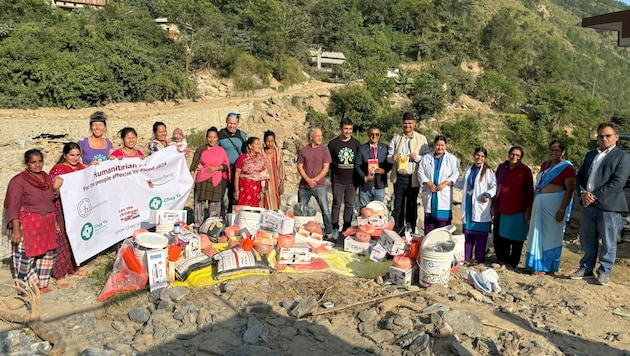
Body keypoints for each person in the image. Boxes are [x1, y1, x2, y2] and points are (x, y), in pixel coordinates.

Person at [571, 123, 630, 285]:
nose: (604, 139)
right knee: (587, 239)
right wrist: (583, 192)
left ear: (616, 138)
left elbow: (618, 182)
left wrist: (594, 196)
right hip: (588, 204)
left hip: (608, 206)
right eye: (601, 136)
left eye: (608, 136)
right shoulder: (591, 155)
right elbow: (580, 176)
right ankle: (586, 268)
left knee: (608, 240)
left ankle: (604, 271)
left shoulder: (622, 157)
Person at [4, 149, 57, 294]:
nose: (37, 165)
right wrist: (16, 230)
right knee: (27, 257)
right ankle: (25, 288)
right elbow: (13, 206)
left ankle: (41, 285)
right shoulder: (19, 181)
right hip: (28, 224)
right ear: (26, 163)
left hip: (46, 223)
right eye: (33, 162)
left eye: (40, 161)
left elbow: (50, 200)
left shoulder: (46, 178)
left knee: (46, 254)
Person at [525, 140, 576, 275]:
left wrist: (562, 210)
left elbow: (570, 190)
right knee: (538, 234)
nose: (553, 153)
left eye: (556, 150)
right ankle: (536, 264)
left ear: (562, 152)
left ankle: (548, 267)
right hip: (540, 205)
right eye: (551, 150)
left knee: (551, 237)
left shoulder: (567, 168)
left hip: (555, 208)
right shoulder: (544, 165)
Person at [50, 143, 87, 288]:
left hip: (77, 209)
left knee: (75, 238)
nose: (75, 158)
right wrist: (55, 187)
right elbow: (51, 194)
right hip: (61, 210)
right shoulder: (58, 170)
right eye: (72, 155)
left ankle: (72, 268)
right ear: (65, 155)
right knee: (62, 240)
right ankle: (59, 274)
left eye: (78, 155)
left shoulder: (80, 168)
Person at [387, 112, 430, 234]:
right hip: (399, 176)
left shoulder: (421, 139)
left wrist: (416, 157)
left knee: (412, 204)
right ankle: (398, 229)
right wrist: (392, 158)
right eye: (405, 123)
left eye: (410, 123)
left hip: (413, 177)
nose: (407, 125)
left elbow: (427, 159)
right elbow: (388, 157)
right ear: (402, 124)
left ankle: (411, 228)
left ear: (414, 124)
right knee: (398, 203)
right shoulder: (396, 138)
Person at [493, 146, 534, 268]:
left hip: (519, 209)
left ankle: (513, 261)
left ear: (521, 158)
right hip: (502, 207)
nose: (514, 157)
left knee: (517, 236)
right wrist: (493, 205)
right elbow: (494, 186)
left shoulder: (525, 171)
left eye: (517, 155)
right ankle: (502, 259)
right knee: (502, 235)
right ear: (508, 154)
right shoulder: (502, 168)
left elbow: (529, 191)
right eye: (512, 154)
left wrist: (528, 209)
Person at [458, 147, 496, 263]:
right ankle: (466, 258)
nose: (479, 158)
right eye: (477, 155)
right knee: (468, 235)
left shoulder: (488, 171)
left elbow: (494, 186)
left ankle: (479, 259)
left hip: (481, 204)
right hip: (469, 204)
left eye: (482, 156)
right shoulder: (469, 169)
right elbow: (463, 184)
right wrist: (449, 182)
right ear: (474, 155)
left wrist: (487, 194)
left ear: (485, 158)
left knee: (480, 235)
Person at [417, 135, 460, 234]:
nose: (440, 148)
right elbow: (420, 172)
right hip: (430, 191)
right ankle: (428, 246)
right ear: (434, 145)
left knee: (443, 225)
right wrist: (429, 184)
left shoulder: (451, 159)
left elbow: (456, 173)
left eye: (442, 145)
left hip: (443, 192)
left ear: (446, 146)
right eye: (437, 145)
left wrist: (445, 184)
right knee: (429, 224)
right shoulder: (427, 158)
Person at [190, 127, 230, 226]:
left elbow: (226, 165)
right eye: (209, 137)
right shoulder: (201, 149)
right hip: (202, 179)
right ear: (206, 138)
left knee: (214, 203)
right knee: (199, 202)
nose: (212, 140)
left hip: (215, 180)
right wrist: (192, 176)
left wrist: (216, 168)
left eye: (214, 137)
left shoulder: (221, 150)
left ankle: (212, 225)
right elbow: (194, 164)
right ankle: (198, 224)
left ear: (217, 138)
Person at [297, 127, 333, 238]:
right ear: (311, 137)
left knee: (325, 209)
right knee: (301, 210)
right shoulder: (303, 151)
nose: (320, 138)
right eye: (317, 136)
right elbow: (299, 166)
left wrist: (315, 180)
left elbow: (326, 167)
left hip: (320, 186)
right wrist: (308, 179)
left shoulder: (324, 150)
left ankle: (329, 232)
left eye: (321, 135)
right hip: (304, 186)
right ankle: (302, 232)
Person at [328, 118, 361, 238]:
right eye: (345, 128)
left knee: (349, 204)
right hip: (337, 180)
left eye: (350, 129)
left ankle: (347, 228)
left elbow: (360, 161)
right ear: (341, 128)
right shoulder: (333, 144)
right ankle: (335, 227)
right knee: (336, 203)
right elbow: (329, 162)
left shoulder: (356, 144)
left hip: (352, 181)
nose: (348, 131)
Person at [355, 125, 392, 209]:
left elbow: (389, 163)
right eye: (372, 134)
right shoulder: (361, 148)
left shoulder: (385, 148)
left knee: (378, 212)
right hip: (365, 185)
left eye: (377, 134)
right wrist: (364, 177)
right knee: (364, 212)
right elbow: (357, 165)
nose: (374, 136)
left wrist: (384, 170)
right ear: (368, 134)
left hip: (379, 186)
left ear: (379, 135)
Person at [218, 113, 247, 214]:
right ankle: (220, 216)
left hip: (237, 170)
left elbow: (245, 152)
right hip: (223, 170)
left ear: (238, 124)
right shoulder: (220, 134)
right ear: (226, 122)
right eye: (230, 123)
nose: (232, 125)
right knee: (220, 194)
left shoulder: (242, 135)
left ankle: (231, 217)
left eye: (234, 123)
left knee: (234, 194)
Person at [235, 137, 270, 207]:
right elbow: (237, 174)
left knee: (254, 210)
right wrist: (236, 190)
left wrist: (262, 191)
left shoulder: (261, 159)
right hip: (244, 187)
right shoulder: (242, 158)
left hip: (256, 188)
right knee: (242, 208)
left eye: (259, 144)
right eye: (256, 144)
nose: (258, 146)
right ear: (250, 146)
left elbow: (262, 176)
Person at [263, 130, 285, 210]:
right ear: (264, 141)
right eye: (268, 141)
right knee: (264, 202)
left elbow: (281, 168)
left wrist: (282, 183)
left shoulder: (278, 152)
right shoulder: (261, 152)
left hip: (276, 183)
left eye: (272, 141)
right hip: (264, 183)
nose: (270, 143)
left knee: (275, 202)